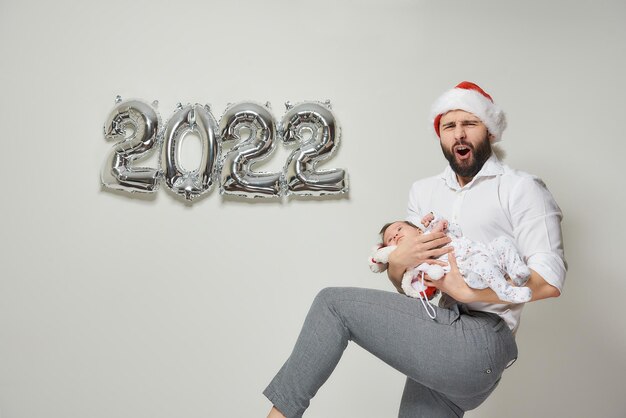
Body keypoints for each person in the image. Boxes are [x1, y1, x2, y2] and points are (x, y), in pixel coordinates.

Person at [264, 81, 566, 417]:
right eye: (449, 126)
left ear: (490, 131)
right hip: (440, 330)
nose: (459, 134)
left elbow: (549, 281)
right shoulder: (424, 193)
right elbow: (413, 286)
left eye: (470, 123)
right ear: (440, 136)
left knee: (333, 305)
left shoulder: (520, 188)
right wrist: (399, 265)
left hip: (481, 341)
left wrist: (467, 292)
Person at [375, 213, 532, 305]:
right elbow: (420, 288)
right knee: (482, 264)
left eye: (399, 229)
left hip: (484, 252)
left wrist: (441, 222)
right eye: (390, 239)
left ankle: (516, 270)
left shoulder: (430, 230)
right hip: (468, 271)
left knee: (502, 242)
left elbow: (457, 232)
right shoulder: (415, 261)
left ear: (417, 230)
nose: (395, 235)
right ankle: (505, 291)